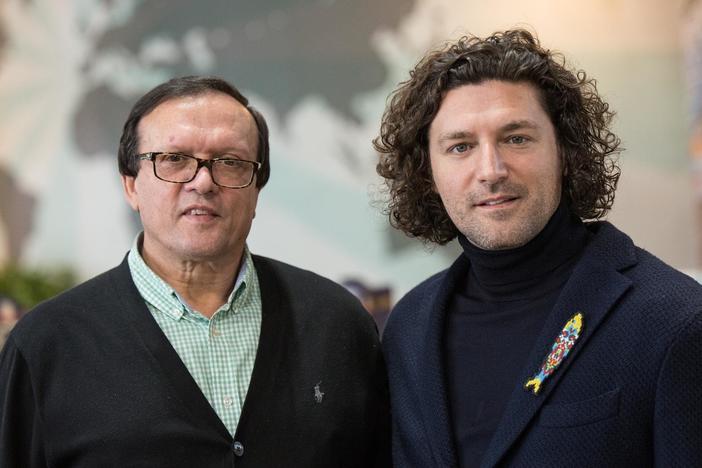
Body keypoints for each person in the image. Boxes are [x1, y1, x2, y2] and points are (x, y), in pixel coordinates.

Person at [0, 76, 390, 467]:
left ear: (256, 190)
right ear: (131, 185)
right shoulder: (45, 344)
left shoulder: (337, 324)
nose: (203, 182)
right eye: (174, 159)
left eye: (231, 162)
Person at [374, 29, 702, 467]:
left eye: (516, 138)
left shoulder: (674, 319)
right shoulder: (408, 328)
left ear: (565, 151)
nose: (490, 170)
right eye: (460, 146)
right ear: (427, 172)